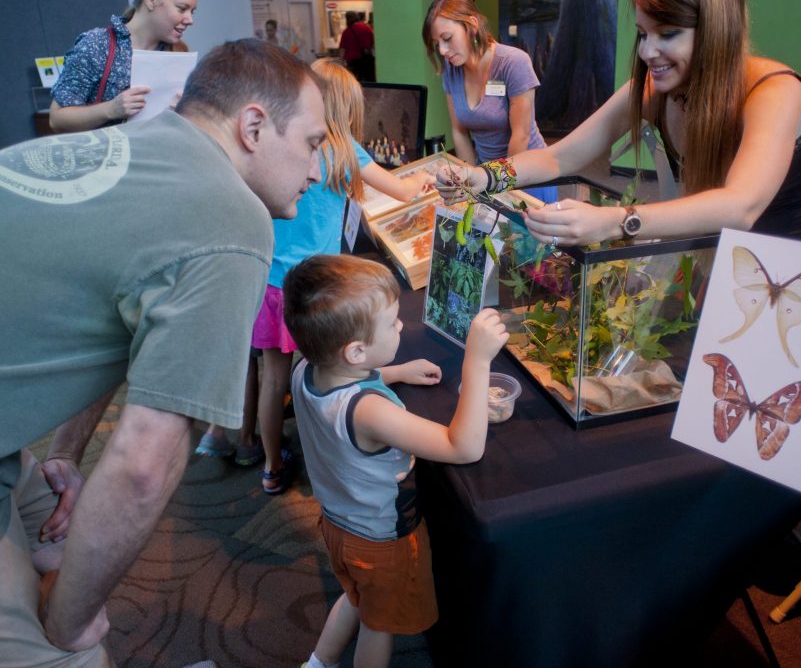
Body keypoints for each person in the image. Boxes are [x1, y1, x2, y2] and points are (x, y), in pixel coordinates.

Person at [0, 38, 327, 665]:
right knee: (69, 654)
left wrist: (66, 454)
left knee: (60, 541)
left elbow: (108, 312)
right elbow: (146, 463)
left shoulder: (147, 147)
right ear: (253, 127)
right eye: (312, 143)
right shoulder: (229, 217)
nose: (317, 169)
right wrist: (69, 624)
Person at [438, 0, 801, 246]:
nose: (647, 52)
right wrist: (484, 176)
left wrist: (617, 221)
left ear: (718, 29)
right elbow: (559, 157)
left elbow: (741, 205)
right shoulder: (654, 90)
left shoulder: (775, 92)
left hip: (797, 271)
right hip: (721, 261)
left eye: (668, 34)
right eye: (644, 35)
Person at [194, 60, 434, 494]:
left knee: (273, 377)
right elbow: (404, 190)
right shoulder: (347, 152)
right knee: (318, 371)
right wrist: (431, 174)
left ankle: (268, 463)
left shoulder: (287, 151)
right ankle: (325, 446)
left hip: (269, 281)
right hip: (314, 285)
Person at [282, 254, 508, 668]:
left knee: (358, 596)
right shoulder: (371, 413)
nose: (402, 325)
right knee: (379, 622)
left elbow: (347, 378)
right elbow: (463, 447)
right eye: (392, 322)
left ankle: (319, 661)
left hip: (338, 523)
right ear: (355, 351)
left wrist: (396, 370)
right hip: (381, 539)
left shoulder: (306, 369)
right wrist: (477, 360)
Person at [422, 0, 556, 203]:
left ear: (473, 25)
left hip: (526, 176)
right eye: (437, 44)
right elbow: (459, 131)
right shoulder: (451, 70)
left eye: (447, 39)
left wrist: (501, 187)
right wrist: (471, 180)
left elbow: (520, 136)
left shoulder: (513, 62)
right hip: (484, 176)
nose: (443, 51)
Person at [49, 0, 199, 133]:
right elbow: (57, 119)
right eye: (182, 8)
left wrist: (183, 112)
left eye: (192, 11)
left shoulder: (179, 53)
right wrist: (111, 109)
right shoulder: (96, 46)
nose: (190, 20)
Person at [340, 11, 375, 83]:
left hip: (353, 62)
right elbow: (373, 43)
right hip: (366, 59)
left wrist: (341, 62)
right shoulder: (367, 28)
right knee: (369, 80)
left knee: (355, 81)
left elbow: (342, 49)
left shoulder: (346, 32)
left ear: (347, 19)